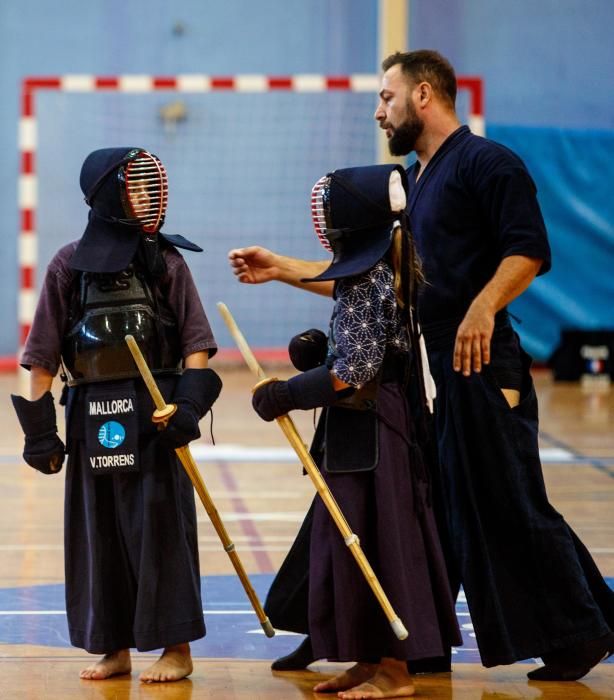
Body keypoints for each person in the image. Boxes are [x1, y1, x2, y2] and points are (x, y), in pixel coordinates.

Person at [229, 50, 614, 682]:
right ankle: (411, 639)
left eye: (387, 97)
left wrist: (483, 308)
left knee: (505, 498)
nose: (380, 110)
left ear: (424, 95)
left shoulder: (489, 163)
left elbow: (529, 252)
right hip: (421, 369)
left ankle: (578, 635)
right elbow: (375, 285)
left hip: (482, 361)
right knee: (421, 503)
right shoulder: (409, 185)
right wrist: (283, 269)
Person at [251, 163, 461, 699]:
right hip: (359, 432)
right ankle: (370, 661)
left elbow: (354, 371)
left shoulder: (370, 278)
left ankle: (395, 671)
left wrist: (287, 394)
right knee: (352, 543)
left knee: (383, 542)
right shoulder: (369, 272)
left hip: (376, 433)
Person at [12, 147, 222, 683]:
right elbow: (40, 356)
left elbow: (196, 344)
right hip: (90, 416)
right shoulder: (67, 265)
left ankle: (176, 648)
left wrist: (189, 407)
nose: (149, 199)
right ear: (107, 195)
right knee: (98, 531)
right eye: (137, 188)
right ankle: (114, 646)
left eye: (152, 188)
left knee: (160, 530)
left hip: (154, 416)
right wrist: (40, 435)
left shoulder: (167, 262)